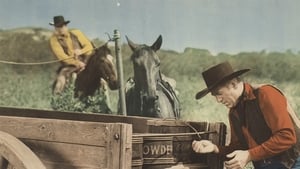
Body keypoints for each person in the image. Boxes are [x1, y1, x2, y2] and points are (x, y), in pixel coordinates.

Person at [192, 61, 300, 169]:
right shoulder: (234, 112)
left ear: (233, 84)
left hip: (293, 161)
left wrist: (249, 155)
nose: (218, 100)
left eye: (219, 94)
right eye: (214, 96)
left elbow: (287, 137)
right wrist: (215, 148)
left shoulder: (265, 94)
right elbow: (239, 147)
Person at [49, 15, 94, 94]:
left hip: (87, 62)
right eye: (57, 27)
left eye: (62, 26)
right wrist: (77, 63)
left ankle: (105, 101)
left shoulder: (77, 33)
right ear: (55, 28)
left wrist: (81, 51)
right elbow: (62, 57)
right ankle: (57, 100)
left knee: (101, 79)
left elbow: (89, 46)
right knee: (60, 81)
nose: (60, 29)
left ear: (66, 26)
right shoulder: (54, 40)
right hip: (69, 66)